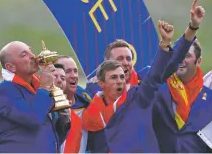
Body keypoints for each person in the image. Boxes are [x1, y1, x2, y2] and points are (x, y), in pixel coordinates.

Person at [82, 12, 198, 152]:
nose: (125, 63)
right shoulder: (93, 93)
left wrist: (191, 28)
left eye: (128, 58)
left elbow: (169, 64)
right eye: (119, 59)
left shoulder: (141, 88)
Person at [152, 0, 212, 153]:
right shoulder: (161, 87)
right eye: (180, 56)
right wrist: (192, 27)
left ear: (198, 61)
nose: (181, 61)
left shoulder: (209, 95)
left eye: (187, 56)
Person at [0, 41, 68, 153]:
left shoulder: (38, 88)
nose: (33, 56)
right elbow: (32, 118)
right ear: (11, 67)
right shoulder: (1, 92)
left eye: (30, 50)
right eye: (24, 54)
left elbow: (53, 133)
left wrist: (63, 115)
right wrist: (44, 86)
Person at [55, 56, 92, 153]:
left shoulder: (86, 100)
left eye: (75, 71)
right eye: (67, 72)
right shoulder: (47, 106)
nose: (74, 75)